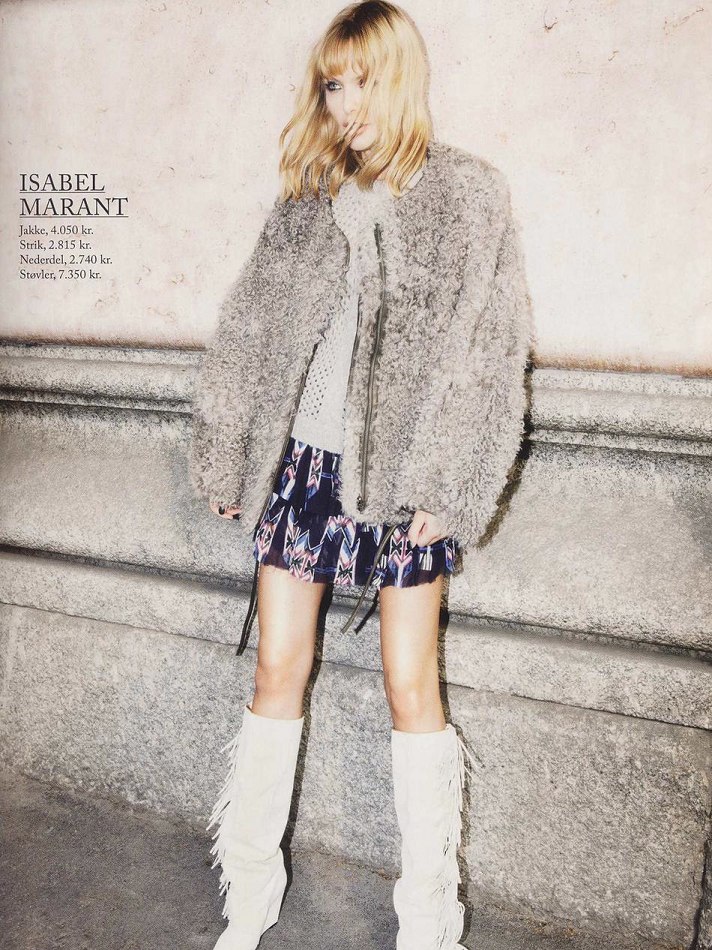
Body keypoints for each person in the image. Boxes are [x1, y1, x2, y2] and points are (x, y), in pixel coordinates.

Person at [188, 2, 533, 948]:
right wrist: (228, 449)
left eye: (363, 81)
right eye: (333, 85)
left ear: (402, 77)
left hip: (403, 481)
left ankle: (429, 920)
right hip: (302, 468)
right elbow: (250, 331)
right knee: (276, 666)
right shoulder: (308, 199)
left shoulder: (468, 197)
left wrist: (452, 486)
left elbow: (490, 356)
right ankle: (248, 896)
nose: (346, 104)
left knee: (409, 684)